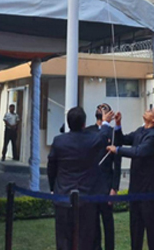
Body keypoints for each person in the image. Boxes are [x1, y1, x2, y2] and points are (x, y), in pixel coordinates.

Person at [48, 105, 115, 250]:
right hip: (87, 197)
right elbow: (104, 136)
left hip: (63, 196)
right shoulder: (91, 140)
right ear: (84, 124)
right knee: (86, 239)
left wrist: (53, 188)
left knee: (64, 238)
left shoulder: (59, 141)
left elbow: (51, 166)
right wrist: (105, 122)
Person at [106, 107, 154, 250]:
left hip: (149, 190)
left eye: (151, 110)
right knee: (135, 228)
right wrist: (118, 124)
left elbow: (139, 152)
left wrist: (118, 150)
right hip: (136, 188)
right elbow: (123, 139)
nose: (147, 110)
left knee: (152, 228)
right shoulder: (141, 130)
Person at [86, 104, 121, 250]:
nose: (101, 110)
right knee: (92, 223)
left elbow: (117, 163)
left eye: (105, 108)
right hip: (91, 185)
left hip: (106, 184)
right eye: (99, 108)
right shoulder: (88, 131)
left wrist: (114, 187)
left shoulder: (113, 134)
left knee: (108, 222)